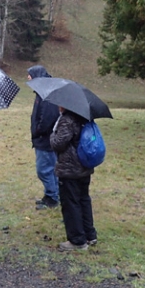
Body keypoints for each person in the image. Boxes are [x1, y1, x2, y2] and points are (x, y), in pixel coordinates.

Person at [49, 106, 98, 251]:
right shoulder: (85, 117)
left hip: (70, 169)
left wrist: (52, 134)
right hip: (85, 166)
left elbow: (58, 144)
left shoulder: (67, 120)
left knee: (71, 203)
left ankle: (77, 240)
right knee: (84, 200)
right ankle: (90, 234)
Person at [27, 65, 61, 210]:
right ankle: (51, 194)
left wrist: (38, 131)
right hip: (43, 139)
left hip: (45, 140)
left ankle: (53, 197)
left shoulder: (47, 94)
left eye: (30, 75)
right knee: (50, 168)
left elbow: (48, 118)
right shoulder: (42, 92)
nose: (28, 78)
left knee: (44, 170)